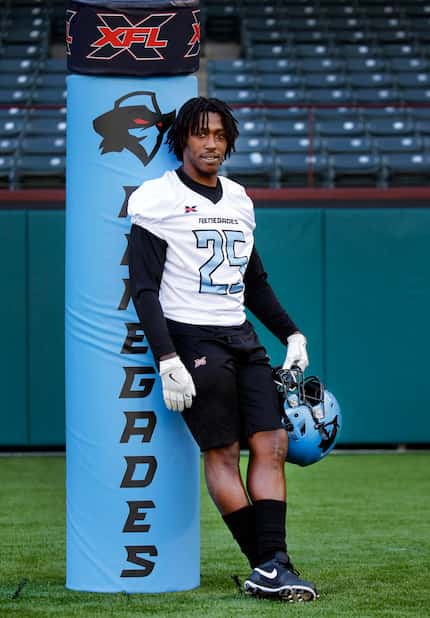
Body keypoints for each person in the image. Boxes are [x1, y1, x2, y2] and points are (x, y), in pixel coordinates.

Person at [127, 96, 319, 602]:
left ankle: (272, 565)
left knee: (272, 443)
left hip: (241, 336)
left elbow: (254, 283)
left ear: (229, 140)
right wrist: (167, 358)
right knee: (224, 450)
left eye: (218, 135)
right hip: (191, 337)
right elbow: (143, 289)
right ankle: (271, 565)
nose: (210, 144)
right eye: (200, 134)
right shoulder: (158, 196)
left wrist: (292, 335)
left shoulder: (238, 198)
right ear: (182, 140)